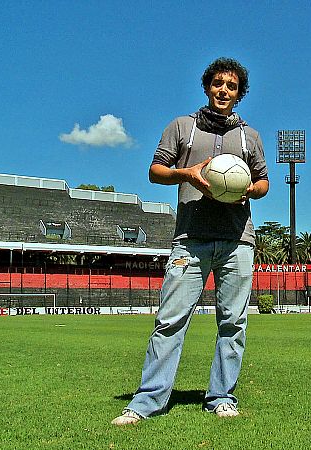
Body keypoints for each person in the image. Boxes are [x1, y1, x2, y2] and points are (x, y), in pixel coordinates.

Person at [112, 57, 269, 425]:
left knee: (233, 323)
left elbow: (263, 183)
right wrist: (188, 175)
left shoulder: (250, 136)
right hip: (190, 239)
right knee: (169, 321)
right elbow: (155, 171)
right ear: (207, 86)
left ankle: (221, 397)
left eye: (231, 86)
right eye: (217, 83)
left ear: (239, 93)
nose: (223, 91)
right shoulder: (183, 127)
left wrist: (246, 188)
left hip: (237, 240)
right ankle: (146, 402)